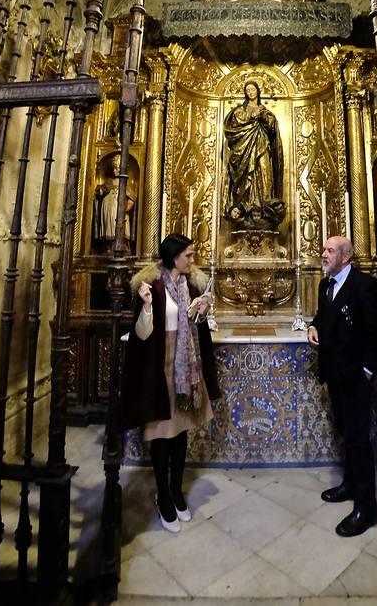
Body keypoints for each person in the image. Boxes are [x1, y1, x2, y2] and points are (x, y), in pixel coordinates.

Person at [118, 234, 220, 533]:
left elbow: (195, 328)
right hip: (160, 367)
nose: (191, 259)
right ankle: (163, 495)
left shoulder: (190, 285)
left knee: (180, 433)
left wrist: (202, 312)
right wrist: (147, 306)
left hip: (186, 368)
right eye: (188, 255)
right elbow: (142, 333)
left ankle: (176, 491)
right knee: (162, 435)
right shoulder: (153, 286)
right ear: (173, 256)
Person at [307, 236, 377, 536]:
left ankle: (366, 509)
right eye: (324, 248)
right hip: (335, 375)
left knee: (358, 440)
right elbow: (322, 315)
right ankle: (351, 485)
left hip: (355, 377)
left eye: (329, 250)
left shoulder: (364, 285)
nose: (323, 254)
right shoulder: (325, 284)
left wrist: (368, 370)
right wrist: (313, 326)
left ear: (345, 256)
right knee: (344, 431)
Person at [223, 81, 283, 223]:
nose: (251, 92)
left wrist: (262, 116)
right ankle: (246, 204)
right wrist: (251, 116)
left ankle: (265, 202)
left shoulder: (264, 110)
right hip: (244, 149)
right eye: (248, 90)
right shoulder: (239, 110)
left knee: (264, 171)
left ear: (258, 91)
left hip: (262, 145)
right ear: (245, 93)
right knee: (246, 177)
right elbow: (232, 126)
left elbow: (272, 128)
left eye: (253, 89)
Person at [93, 154, 136, 253]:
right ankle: (109, 248)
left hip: (119, 209)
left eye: (117, 168)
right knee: (110, 227)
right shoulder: (109, 181)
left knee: (120, 227)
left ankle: (122, 247)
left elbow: (132, 197)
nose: (114, 171)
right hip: (108, 208)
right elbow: (101, 189)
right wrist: (100, 191)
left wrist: (128, 206)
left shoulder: (126, 184)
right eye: (114, 168)